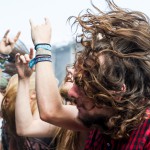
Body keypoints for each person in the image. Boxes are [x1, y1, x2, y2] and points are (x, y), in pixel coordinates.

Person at [28, 0, 150, 149]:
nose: (71, 93)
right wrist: (42, 45)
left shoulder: (146, 132)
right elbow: (51, 111)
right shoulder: (103, 118)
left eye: (83, 86)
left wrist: (42, 45)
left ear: (116, 92)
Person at [15, 51, 88, 150]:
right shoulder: (65, 121)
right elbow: (25, 128)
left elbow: (50, 112)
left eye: (79, 68)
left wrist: (42, 46)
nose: (69, 70)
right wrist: (23, 79)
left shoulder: (92, 115)